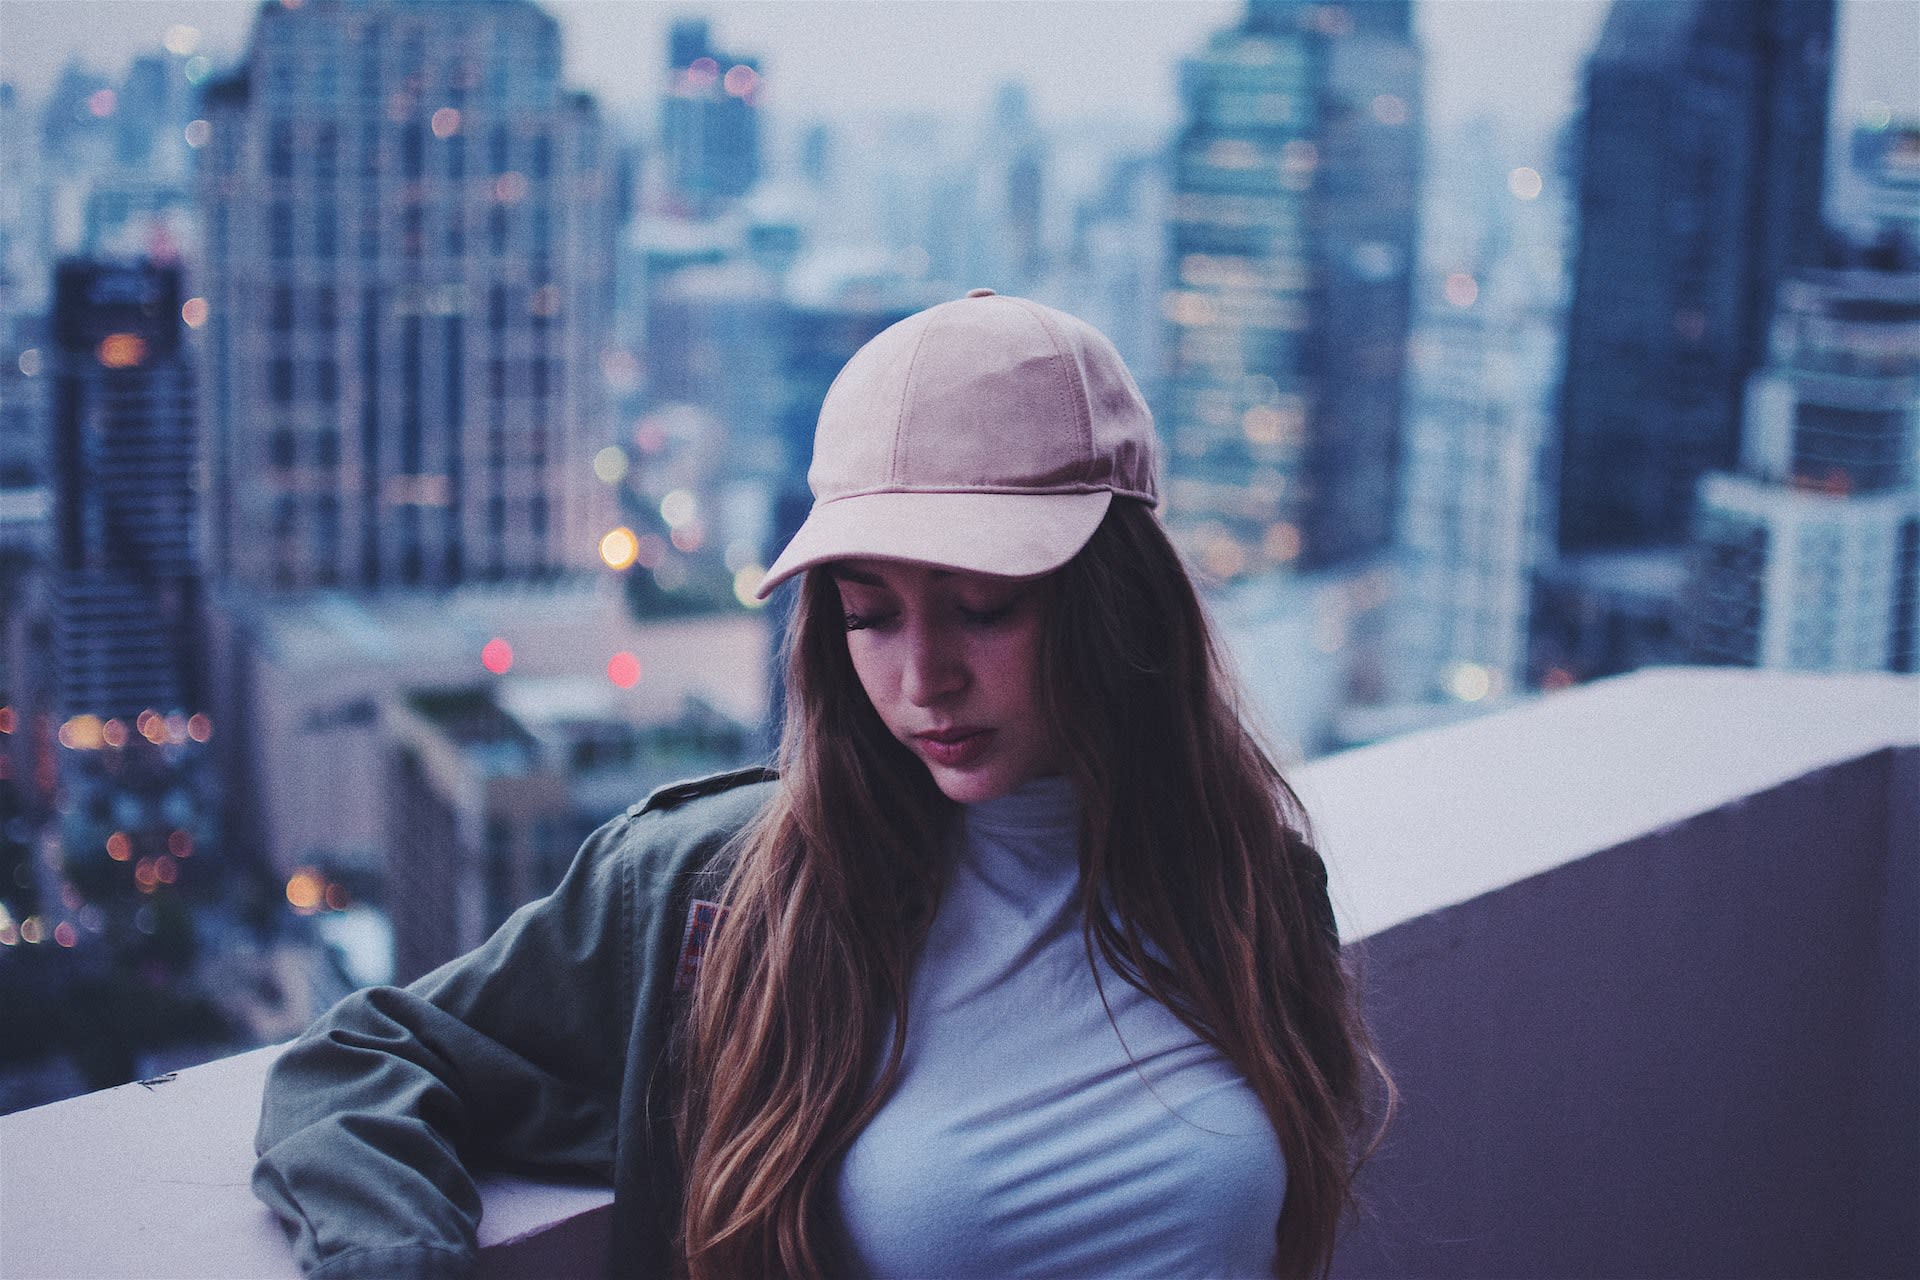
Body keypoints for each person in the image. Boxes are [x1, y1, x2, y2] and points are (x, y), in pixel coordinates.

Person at [253, 290, 1388, 1280]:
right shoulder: (715, 892)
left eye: (982, 604)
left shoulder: (1253, 882)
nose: (921, 676)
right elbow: (363, 1056)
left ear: (1114, 600)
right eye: (868, 611)